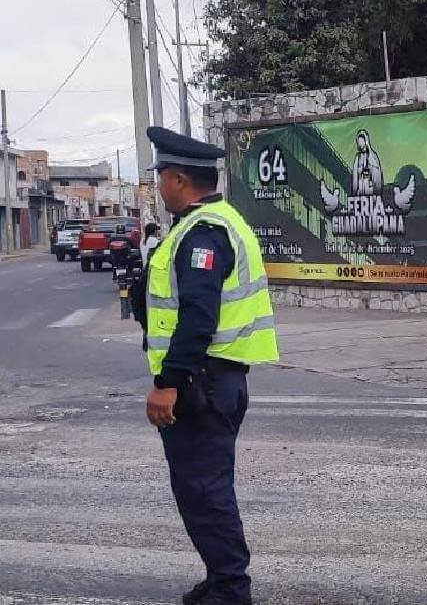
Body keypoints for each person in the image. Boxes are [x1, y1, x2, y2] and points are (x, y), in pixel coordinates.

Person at [137, 126, 279, 605]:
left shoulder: (204, 233)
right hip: (216, 381)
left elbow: (199, 317)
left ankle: (232, 590)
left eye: (162, 178)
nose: (159, 186)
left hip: (202, 384)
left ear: (178, 179)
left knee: (205, 492)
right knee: (203, 491)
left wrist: (167, 382)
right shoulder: (215, 223)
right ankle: (222, 580)